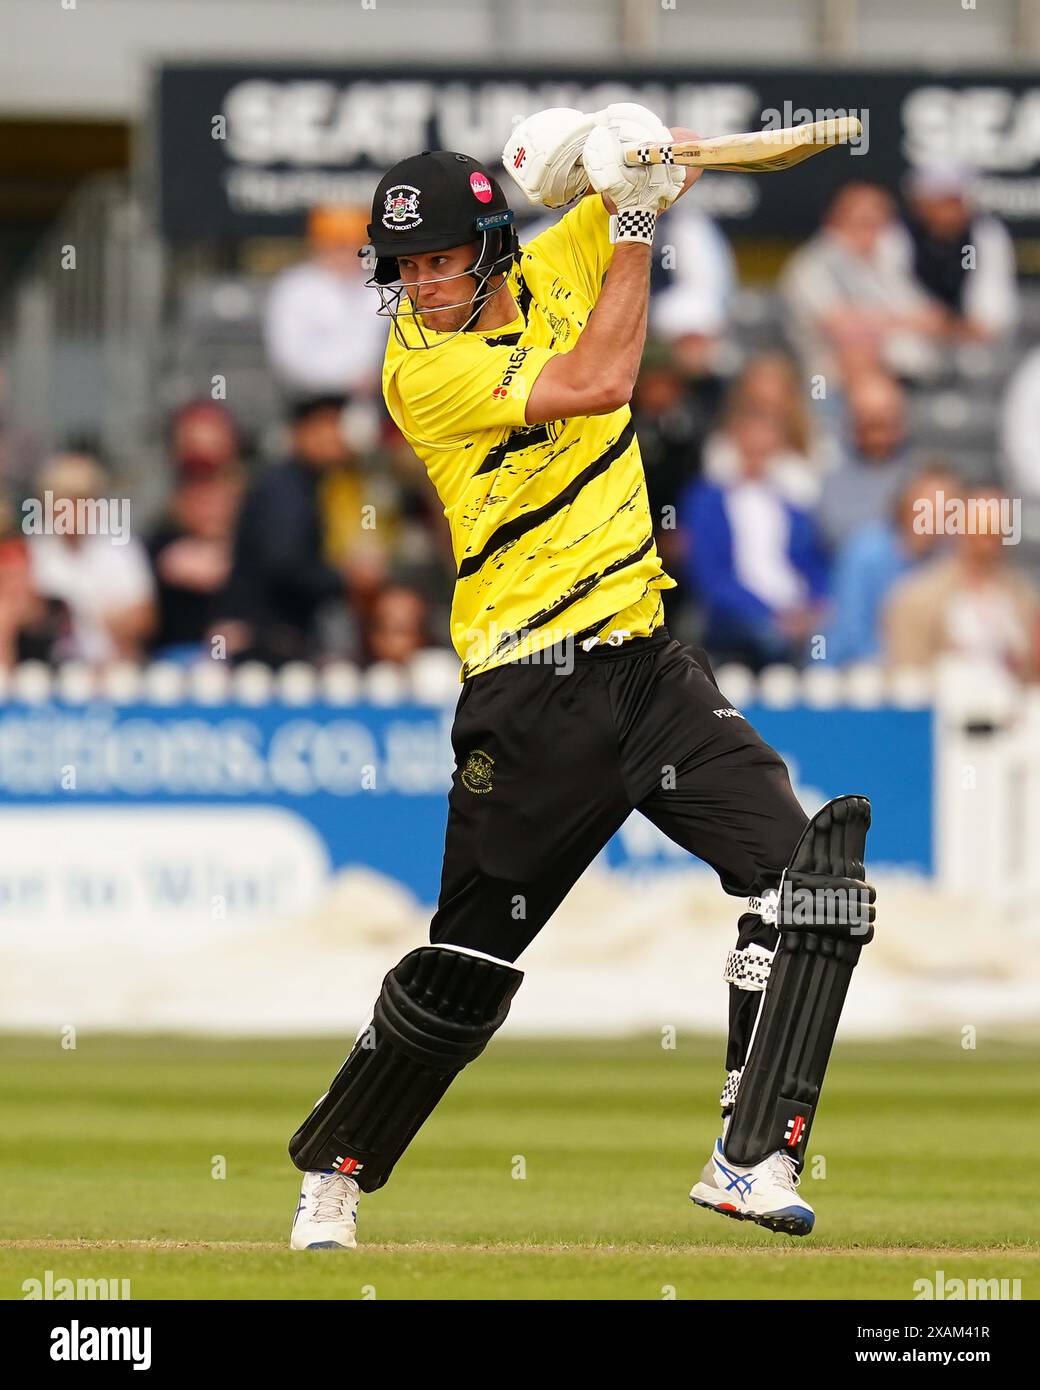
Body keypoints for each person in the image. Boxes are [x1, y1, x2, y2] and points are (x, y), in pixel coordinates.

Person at [285, 108, 876, 1251]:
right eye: (403, 268)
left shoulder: (556, 257)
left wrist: (638, 149)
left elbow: (646, 175)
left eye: (441, 259)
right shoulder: (426, 371)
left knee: (804, 884)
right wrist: (638, 212)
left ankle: (748, 1156)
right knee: (465, 966)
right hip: (527, 692)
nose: (420, 284)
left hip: (646, 664)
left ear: (496, 245)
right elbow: (604, 378)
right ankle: (334, 1176)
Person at [218, 395, 384, 666]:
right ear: (302, 432)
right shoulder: (284, 489)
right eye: (328, 426)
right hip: (263, 643)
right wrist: (347, 579)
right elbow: (283, 563)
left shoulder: (315, 486)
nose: (338, 436)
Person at [680, 399, 829, 670]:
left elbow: (812, 563)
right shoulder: (707, 501)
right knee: (772, 639)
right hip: (739, 618)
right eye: (750, 447)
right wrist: (773, 614)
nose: (757, 456)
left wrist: (815, 606)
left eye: (765, 448)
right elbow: (710, 578)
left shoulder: (791, 503)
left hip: (798, 612)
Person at [780, 182, 949, 385]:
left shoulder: (893, 260)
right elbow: (844, 329)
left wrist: (872, 320)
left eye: (880, 223)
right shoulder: (811, 266)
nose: (871, 233)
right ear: (832, 222)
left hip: (909, 375)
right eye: (861, 222)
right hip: (832, 382)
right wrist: (902, 321)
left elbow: (936, 319)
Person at [883, 485, 1040, 680]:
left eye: (996, 530)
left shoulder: (1027, 599)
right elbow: (907, 676)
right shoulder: (915, 598)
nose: (987, 542)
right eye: (981, 530)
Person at [823, 461, 958, 667]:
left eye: (945, 508)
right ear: (906, 503)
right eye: (928, 505)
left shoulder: (946, 560)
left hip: (918, 672)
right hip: (850, 670)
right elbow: (851, 630)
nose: (935, 516)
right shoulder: (866, 550)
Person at [26, 453, 156, 665]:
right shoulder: (34, 549)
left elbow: (146, 619)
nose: (73, 512)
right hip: (50, 669)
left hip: (114, 667)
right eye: (64, 502)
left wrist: (111, 623)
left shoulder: (120, 545)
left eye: (81, 502)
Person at [147, 404, 244, 659]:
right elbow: (195, 568)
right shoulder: (161, 542)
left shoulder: (256, 537)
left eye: (215, 491)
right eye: (197, 494)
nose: (208, 505)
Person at [263, 204, 387, 398]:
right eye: (339, 246)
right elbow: (288, 358)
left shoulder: (385, 286)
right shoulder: (295, 287)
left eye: (357, 245)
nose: (349, 254)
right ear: (319, 245)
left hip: (378, 396)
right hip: (311, 399)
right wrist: (350, 377)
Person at [901, 164, 1018, 347]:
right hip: (916, 335)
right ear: (919, 203)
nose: (951, 209)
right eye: (941, 200)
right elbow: (896, 295)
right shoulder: (898, 236)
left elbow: (993, 299)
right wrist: (935, 320)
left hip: (974, 341)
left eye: (956, 200)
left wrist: (972, 324)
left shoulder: (984, 235)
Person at [816, 371, 913, 553]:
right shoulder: (829, 471)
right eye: (868, 423)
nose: (878, 437)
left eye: (885, 422)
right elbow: (832, 532)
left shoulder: (921, 473)